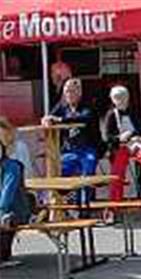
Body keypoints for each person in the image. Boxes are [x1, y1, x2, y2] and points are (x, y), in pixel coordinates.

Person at [42, 77, 101, 201]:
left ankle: (84, 205)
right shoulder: (62, 106)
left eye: (72, 91)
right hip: (70, 150)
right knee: (57, 171)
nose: (69, 94)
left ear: (79, 92)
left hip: (88, 148)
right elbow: (51, 116)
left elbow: (84, 118)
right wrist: (46, 119)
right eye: (67, 91)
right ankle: (53, 203)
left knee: (87, 171)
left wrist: (61, 120)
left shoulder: (89, 104)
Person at [101, 85, 141, 201]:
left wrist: (135, 136)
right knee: (118, 169)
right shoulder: (111, 115)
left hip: (137, 143)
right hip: (121, 146)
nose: (120, 101)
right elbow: (108, 137)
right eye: (117, 98)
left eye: (122, 97)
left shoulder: (135, 112)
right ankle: (115, 199)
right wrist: (119, 138)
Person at [1, 117, 34, 263]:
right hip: (6, 210)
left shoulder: (12, 166)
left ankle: (3, 254)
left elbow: (7, 195)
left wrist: (1, 211)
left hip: (14, 210)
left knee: (6, 217)